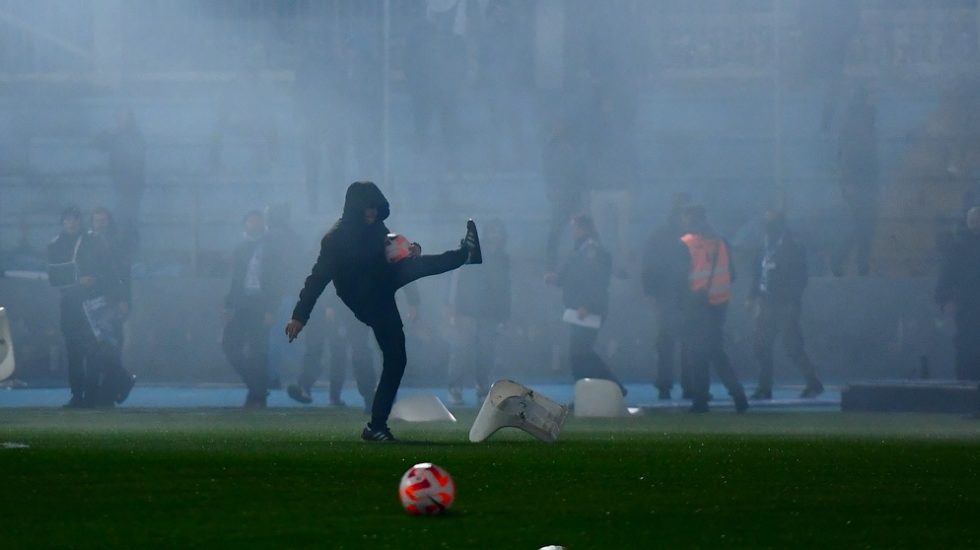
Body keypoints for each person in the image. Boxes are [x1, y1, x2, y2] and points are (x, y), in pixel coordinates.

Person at [286, 181, 482, 441]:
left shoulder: (378, 228)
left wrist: (411, 252)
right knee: (393, 356)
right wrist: (300, 316)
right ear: (355, 208)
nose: (372, 213)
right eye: (367, 208)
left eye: (376, 208)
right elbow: (317, 279)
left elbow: (394, 252)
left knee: (397, 357)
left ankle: (466, 255)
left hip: (383, 281)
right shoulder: (335, 239)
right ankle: (376, 426)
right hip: (363, 297)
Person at [47, 207, 124, 408]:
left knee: (93, 351)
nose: (72, 223)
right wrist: (78, 280)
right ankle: (77, 395)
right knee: (73, 352)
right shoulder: (55, 245)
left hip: (91, 304)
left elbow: (107, 270)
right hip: (70, 305)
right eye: (68, 219)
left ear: (80, 221)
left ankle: (91, 393)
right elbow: (54, 277)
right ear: (63, 222)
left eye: (75, 219)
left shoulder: (93, 241)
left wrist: (113, 297)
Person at [678, 206, 748, 413]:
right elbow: (732, 274)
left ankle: (701, 400)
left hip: (697, 306)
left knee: (698, 353)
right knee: (716, 351)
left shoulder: (686, 243)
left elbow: (679, 277)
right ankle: (738, 395)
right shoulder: (721, 242)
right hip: (719, 304)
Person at [747, 209, 824, 399]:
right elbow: (758, 272)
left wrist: (791, 299)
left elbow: (801, 277)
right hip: (766, 302)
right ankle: (764, 387)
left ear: (780, 223)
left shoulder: (792, 246)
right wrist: (752, 295)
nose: (767, 225)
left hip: (785, 305)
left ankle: (813, 383)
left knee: (793, 347)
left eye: (771, 221)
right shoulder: (763, 244)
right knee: (761, 346)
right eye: (766, 221)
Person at [546, 215, 625, 393]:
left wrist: (588, 305)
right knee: (579, 354)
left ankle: (611, 386)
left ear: (583, 228)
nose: (573, 232)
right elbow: (571, 277)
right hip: (578, 309)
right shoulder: (580, 249)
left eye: (575, 227)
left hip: (587, 310)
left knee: (581, 353)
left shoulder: (591, 250)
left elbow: (596, 281)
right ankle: (588, 391)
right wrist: (556, 279)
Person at [447, 219, 511, 405]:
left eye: (498, 232)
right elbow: (457, 280)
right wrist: (454, 308)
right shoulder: (472, 253)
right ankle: (454, 388)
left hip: (490, 313)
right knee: (461, 350)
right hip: (467, 310)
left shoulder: (503, 259)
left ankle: (483, 388)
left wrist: (505, 314)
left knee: (486, 352)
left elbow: (506, 289)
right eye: (492, 231)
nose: (494, 236)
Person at [222, 210, 277, 408]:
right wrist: (229, 304)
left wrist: (271, 309)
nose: (255, 225)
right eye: (251, 221)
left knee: (258, 350)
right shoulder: (241, 249)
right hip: (242, 304)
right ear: (244, 224)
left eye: (258, 221)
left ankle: (258, 395)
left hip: (261, 304)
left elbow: (276, 281)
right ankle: (257, 387)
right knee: (229, 344)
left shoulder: (272, 248)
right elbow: (236, 280)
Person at [641, 193, 693, 400]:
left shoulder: (661, 235)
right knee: (669, 342)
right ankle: (672, 385)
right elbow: (649, 265)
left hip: (679, 296)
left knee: (675, 343)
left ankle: (675, 385)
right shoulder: (672, 236)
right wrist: (651, 293)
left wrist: (650, 292)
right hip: (674, 296)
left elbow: (648, 265)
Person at [89, 207, 137, 404]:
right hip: (92, 302)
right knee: (97, 348)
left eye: (103, 220)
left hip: (113, 302)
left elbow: (123, 276)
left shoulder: (117, 245)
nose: (100, 224)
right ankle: (118, 384)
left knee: (111, 345)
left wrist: (124, 300)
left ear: (109, 223)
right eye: (97, 220)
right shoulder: (87, 244)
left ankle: (113, 388)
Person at [833, 85, 879, 277]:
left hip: (860, 185)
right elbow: (851, 157)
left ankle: (853, 263)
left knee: (863, 226)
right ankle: (851, 263)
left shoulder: (859, 122)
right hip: (859, 186)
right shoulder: (859, 125)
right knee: (863, 226)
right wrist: (850, 185)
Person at [936, 206, 980, 381]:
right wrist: (945, 300)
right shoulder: (958, 248)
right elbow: (946, 277)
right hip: (967, 307)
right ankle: (965, 388)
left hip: (968, 305)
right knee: (966, 347)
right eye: (974, 219)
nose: (976, 222)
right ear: (967, 222)